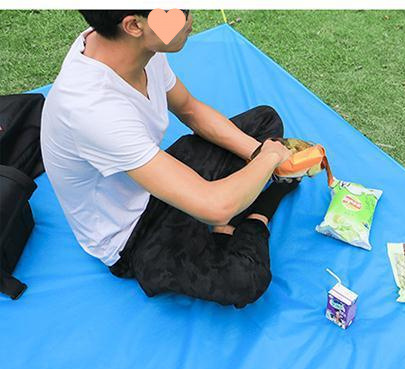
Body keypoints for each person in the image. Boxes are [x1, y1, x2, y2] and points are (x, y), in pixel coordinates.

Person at [40, 10, 296, 306]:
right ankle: (258, 212)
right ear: (134, 25)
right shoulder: (92, 108)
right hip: (133, 234)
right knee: (244, 279)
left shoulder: (137, 47)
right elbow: (215, 207)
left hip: (154, 174)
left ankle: (236, 207)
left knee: (265, 121)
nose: (190, 19)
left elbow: (190, 109)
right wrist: (269, 158)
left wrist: (258, 153)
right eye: (180, 12)